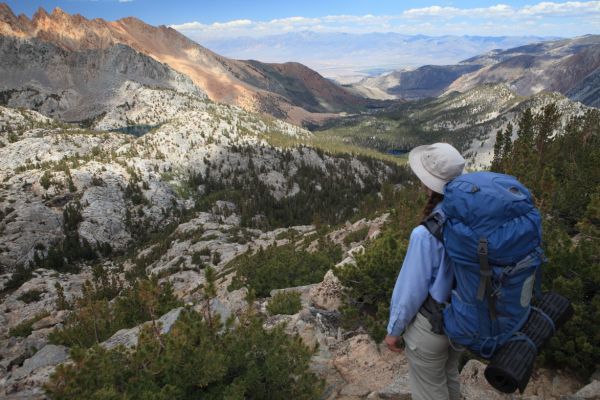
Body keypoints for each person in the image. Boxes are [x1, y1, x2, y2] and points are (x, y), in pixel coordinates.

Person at [384, 142, 465, 400]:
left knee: (430, 391)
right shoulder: (471, 217)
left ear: (428, 185)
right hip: (463, 317)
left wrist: (394, 331)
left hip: (431, 326)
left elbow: (410, 290)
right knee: (450, 376)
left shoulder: (425, 234)